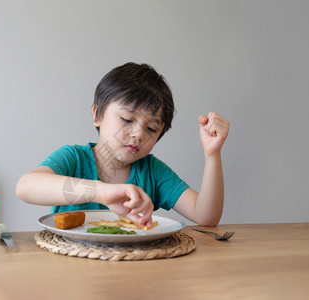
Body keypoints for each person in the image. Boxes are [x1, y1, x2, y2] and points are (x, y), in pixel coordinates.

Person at [16, 62, 229, 228]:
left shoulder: (153, 171)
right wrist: (100, 192)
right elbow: (25, 187)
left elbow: (206, 216)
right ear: (97, 115)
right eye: (127, 120)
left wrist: (212, 154)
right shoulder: (74, 159)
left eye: (152, 129)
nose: (138, 134)